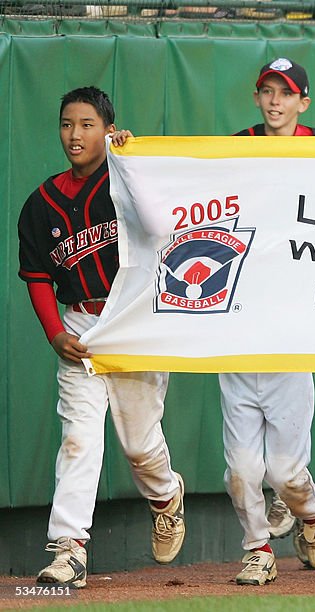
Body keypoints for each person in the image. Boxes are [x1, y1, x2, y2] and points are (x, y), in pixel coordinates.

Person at [18, 86, 185, 588]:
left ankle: (165, 497)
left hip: (132, 320)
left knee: (137, 445)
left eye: (88, 125)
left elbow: (162, 223)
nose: (75, 134)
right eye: (68, 124)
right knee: (79, 436)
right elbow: (39, 276)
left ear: (108, 130)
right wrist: (53, 333)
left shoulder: (127, 178)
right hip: (80, 325)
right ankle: (69, 547)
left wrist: (131, 163)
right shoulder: (41, 202)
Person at [224, 58, 315, 586]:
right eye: (267, 91)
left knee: (285, 473)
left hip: (294, 330)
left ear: (303, 103)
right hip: (241, 326)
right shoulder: (234, 148)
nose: (275, 102)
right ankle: (257, 548)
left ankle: (312, 511)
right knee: (242, 470)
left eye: (285, 94)